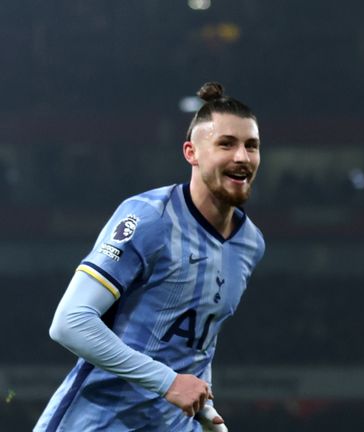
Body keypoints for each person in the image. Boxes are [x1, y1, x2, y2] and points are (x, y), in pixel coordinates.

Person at [35, 82, 265, 431]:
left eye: (252, 146)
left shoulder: (250, 243)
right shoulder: (149, 218)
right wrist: (169, 382)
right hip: (97, 423)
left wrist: (207, 417)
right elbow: (69, 322)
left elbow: (197, 345)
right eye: (226, 144)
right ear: (191, 153)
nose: (242, 157)